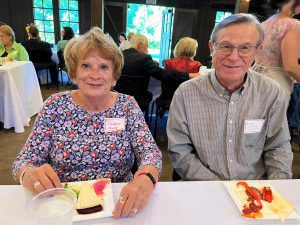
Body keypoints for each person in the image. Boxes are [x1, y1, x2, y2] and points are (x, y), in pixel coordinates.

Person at [12, 27, 162, 219]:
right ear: (74, 72)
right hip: (63, 204)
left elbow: (150, 152)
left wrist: (146, 177)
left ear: (114, 76)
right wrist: (28, 174)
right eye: (86, 66)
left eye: (104, 67)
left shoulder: (127, 105)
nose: (95, 74)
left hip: (119, 203)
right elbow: (23, 162)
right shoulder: (55, 105)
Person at [167, 13, 293, 181]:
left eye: (245, 48)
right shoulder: (185, 94)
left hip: (255, 191)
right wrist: (222, 189)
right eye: (226, 46)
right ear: (212, 47)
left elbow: (278, 147)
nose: (234, 57)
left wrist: (277, 189)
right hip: (205, 189)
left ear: (258, 50)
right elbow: (180, 152)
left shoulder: (271, 93)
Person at [253, 0, 300, 105]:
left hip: (255, 79)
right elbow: (291, 67)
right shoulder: (293, 25)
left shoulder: (263, 24)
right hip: (277, 83)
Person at [122, 34, 197, 93]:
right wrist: (188, 75)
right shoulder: (144, 58)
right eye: (146, 47)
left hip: (118, 96)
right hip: (139, 99)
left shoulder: (120, 55)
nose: (147, 51)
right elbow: (162, 74)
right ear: (140, 44)